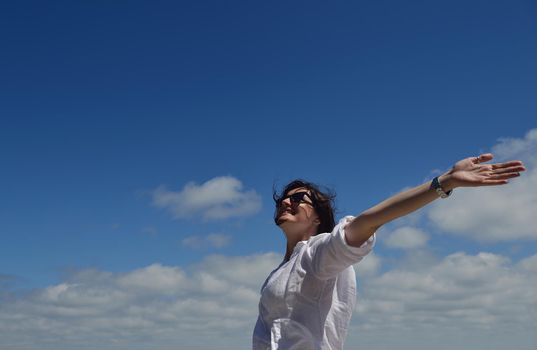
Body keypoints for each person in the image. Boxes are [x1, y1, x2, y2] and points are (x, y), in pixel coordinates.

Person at [252, 153, 526, 350]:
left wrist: (443, 183)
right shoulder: (279, 271)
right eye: (283, 198)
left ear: (317, 217)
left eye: (298, 198)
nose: (286, 201)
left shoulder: (320, 253)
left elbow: (371, 220)